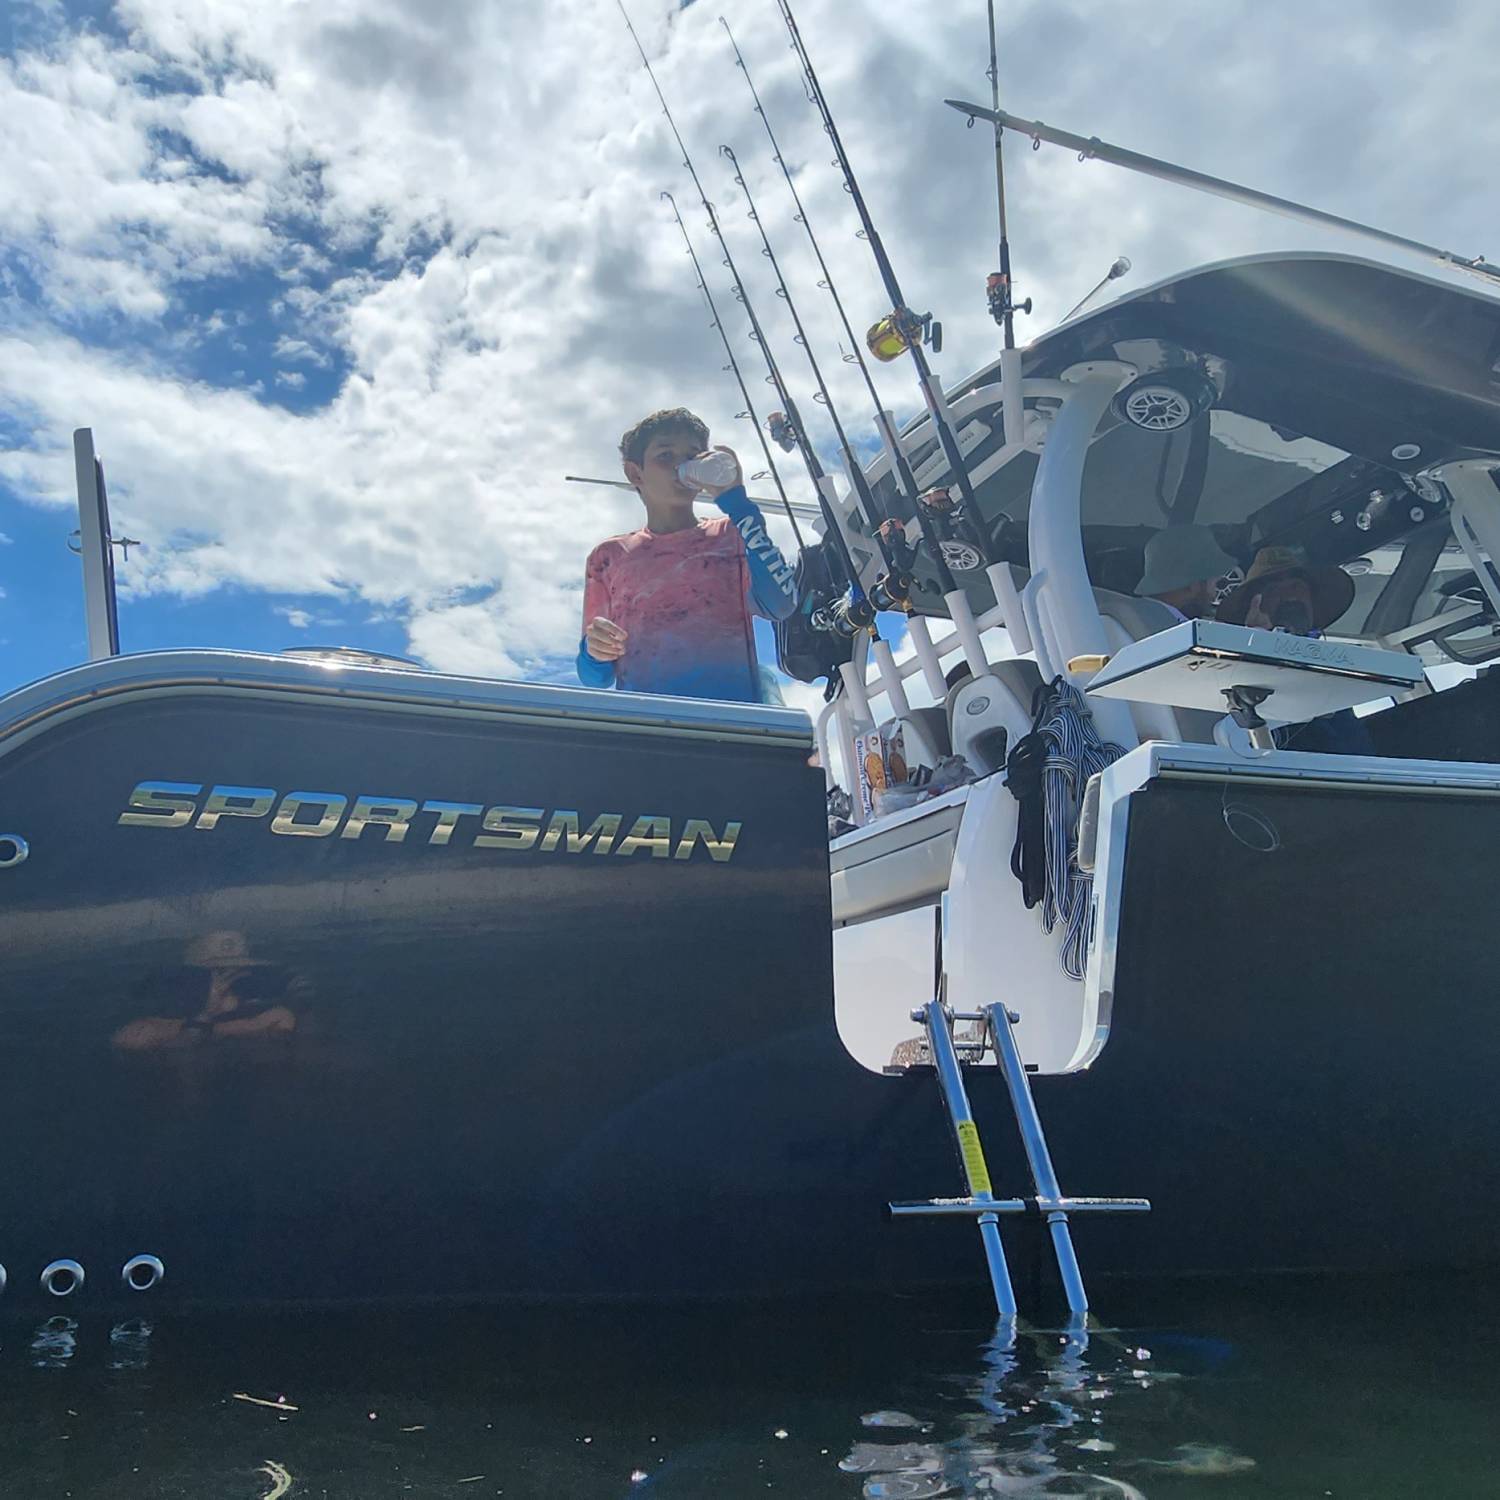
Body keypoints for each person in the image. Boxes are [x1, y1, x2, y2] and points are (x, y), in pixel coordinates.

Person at [577, 408, 797, 703]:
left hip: (737, 722)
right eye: (665, 456)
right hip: (648, 731)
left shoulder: (733, 533)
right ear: (635, 473)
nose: (681, 465)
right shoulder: (608, 557)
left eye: (692, 456)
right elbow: (595, 677)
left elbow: (781, 604)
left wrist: (739, 504)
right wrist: (594, 650)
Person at [1216, 545, 1371, 753]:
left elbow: (1357, 751)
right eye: (1274, 591)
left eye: (1296, 587)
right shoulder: (1228, 668)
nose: (1290, 597)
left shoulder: (1333, 669)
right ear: (1256, 604)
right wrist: (1257, 645)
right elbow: (1240, 740)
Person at [112, 930, 304, 1050]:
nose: (225, 977)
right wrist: (207, 1015)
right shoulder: (146, 1029)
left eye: (235, 968)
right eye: (216, 970)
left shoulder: (274, 1016)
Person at [1136, 524, 1240, 621]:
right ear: (1194, 585)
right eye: (1215, 583)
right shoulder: (1174, 632)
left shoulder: (1135, 623)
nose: (1214, 595)